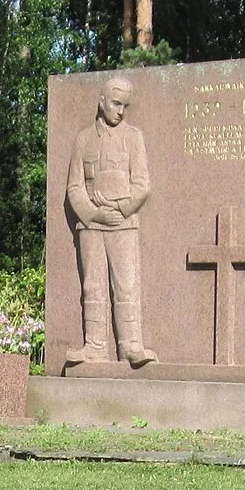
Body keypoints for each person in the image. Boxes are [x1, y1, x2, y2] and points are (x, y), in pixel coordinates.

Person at [66, 77, 157, 367]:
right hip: (91, 225)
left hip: (123, 223)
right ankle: (94, 345)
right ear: (102, 101)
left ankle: (130, 344)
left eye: (125, 106)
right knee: (92, 286)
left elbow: (142, 185)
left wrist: (120, 209)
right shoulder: (83, 139)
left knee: (126, 285)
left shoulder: (134, 137)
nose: (121, 111)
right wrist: (94, 214)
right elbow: (74, 188)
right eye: (116, 103)